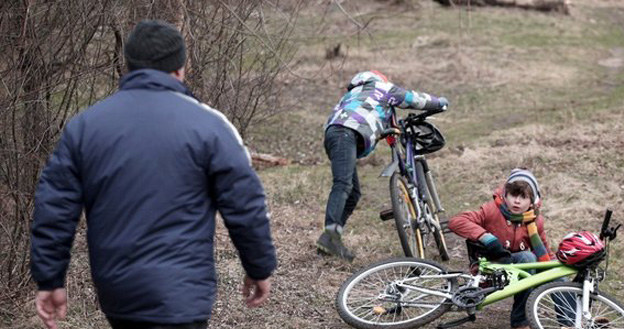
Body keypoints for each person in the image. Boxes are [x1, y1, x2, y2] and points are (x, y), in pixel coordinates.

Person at [30, 20, 277, 329]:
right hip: (184, 294)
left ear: (129, 66)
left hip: (119, 293)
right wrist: (258, 266)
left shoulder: (86, 126)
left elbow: (54, 209)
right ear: (179, 69)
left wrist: (49, 278)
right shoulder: (209, 126)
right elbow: (245, 204)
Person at [317, 70, 449, 261]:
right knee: (343, 184)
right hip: (345, 134)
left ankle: (330, 239)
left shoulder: (351, 96)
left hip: (335, 136)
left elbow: (381, 125)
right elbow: (413, 98)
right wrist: (439, 102)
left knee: (353, 193)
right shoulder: (381, 88)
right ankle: (330, 235)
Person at [448, 168, 557, 329]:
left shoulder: (535, 221)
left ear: (532, 201)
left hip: (516, 268)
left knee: (554, 272)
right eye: (513, 195)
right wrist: (487, 238)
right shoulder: (492, 210)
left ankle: (572, 321)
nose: (517, 201)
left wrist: (558, 267)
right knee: (528, 258)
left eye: (523, 197)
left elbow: (544, 252)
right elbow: (456, 221)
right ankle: (521, 322)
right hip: (491, 268)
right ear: (505, 194)